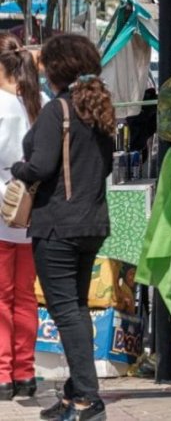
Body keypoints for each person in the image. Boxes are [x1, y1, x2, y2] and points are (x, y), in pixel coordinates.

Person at [12, 35, 115, 420]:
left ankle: (87, 396)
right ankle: (75, 394)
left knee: (65, 311)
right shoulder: (98, 108)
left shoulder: (59, 110)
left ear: (55, 70)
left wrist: (17, 170)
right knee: (77, 307)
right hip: (91, 221)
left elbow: (40, 167)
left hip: (57, 223)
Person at [0, 33, 43, 403]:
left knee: (1, 298)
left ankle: (1, 374)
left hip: (1, 207)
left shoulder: (0, 103)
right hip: (30, 210)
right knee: (26, 297)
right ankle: (25, 372)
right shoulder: (36, 101)